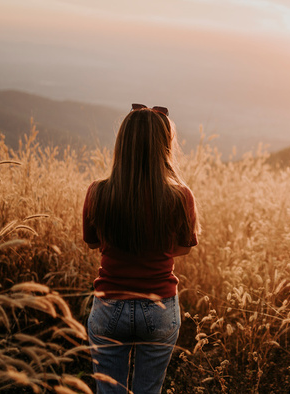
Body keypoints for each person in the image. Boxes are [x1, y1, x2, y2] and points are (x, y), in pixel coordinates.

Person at [82, 103, 199, 394]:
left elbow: (94, 242)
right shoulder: (181, 195)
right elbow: (183, 248)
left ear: (122, 143)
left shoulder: (98, 192)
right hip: (159, 306)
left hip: (109, 305)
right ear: (165, 147)